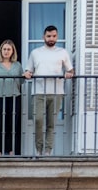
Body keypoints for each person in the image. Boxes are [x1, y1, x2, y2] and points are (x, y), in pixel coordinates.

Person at [23, 25, 74, 155]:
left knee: (51, 123)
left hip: (57, 92)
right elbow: (29, 70)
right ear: (43, 37)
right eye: (49, 36)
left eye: (54, 36)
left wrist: (69, 74)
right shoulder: (35, 53)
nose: (51, 38)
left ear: (57, 37)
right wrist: (27, 74)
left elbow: (70, 70)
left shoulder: (62, 52)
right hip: (38, 92)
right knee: (38, 120)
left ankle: (47, 151)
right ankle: (39, 149)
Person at [0, 40, 23, 155]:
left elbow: (21, 81)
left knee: (12, 125)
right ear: (1, 51)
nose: (6, 52)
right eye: (4, 49)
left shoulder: (17, 65)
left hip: (14, 97)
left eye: (9, 49)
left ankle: (11, 150)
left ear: (12, 52)